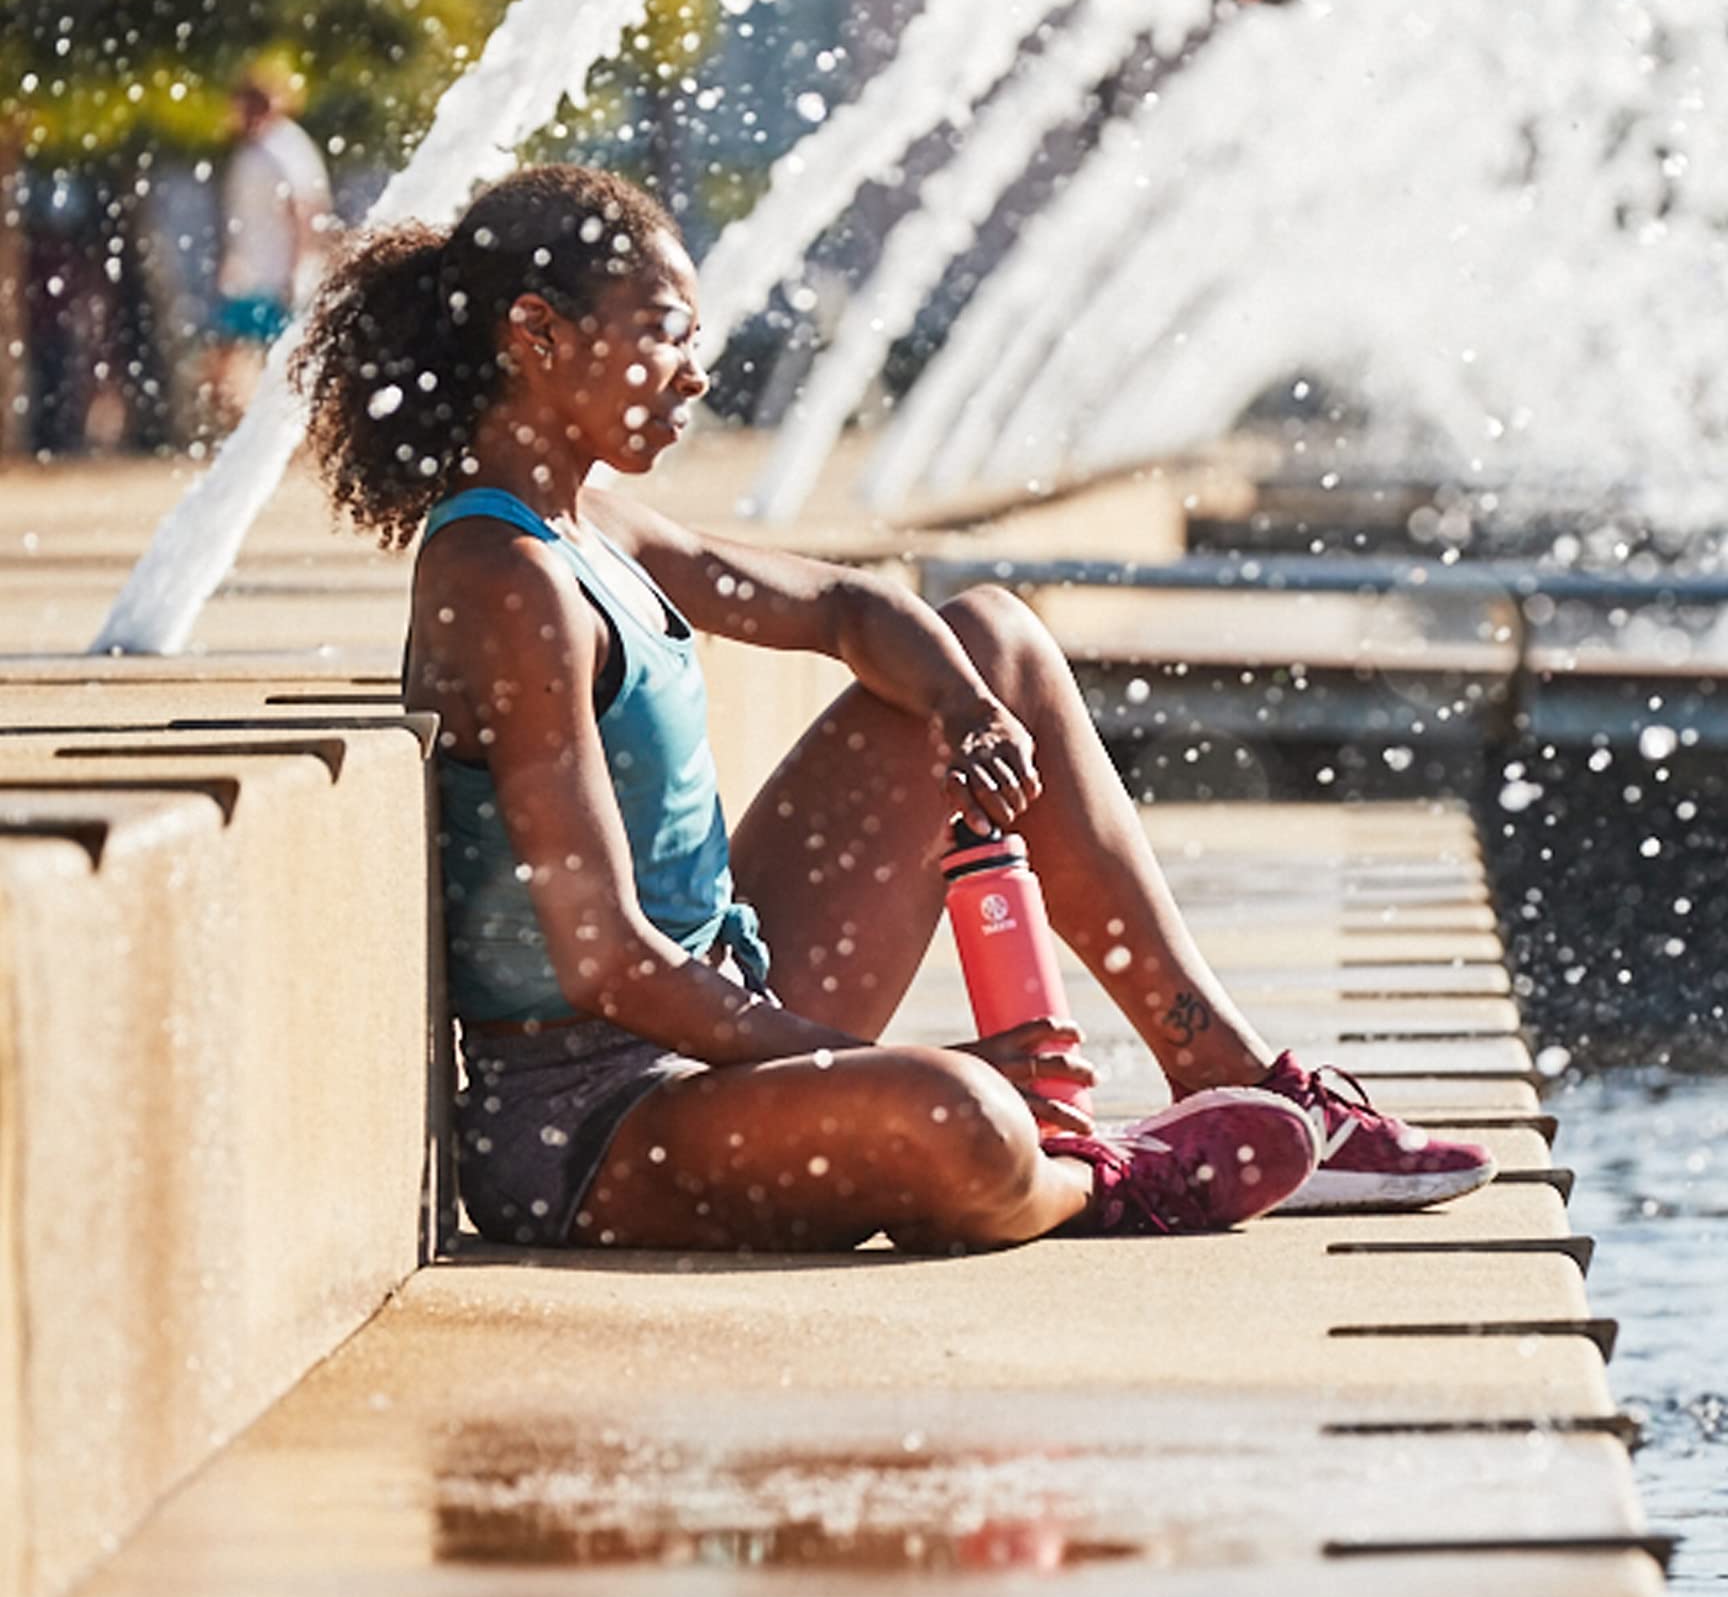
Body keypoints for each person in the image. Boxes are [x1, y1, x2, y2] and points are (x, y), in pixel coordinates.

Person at [290, 163, 1495, 1253]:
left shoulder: (592, 522)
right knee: (960, 1114)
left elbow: (844, 609)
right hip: (593, 1125)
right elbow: (606, 963)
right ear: (537, 336)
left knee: (994, 634)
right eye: (662, 337)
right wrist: (873, 1060)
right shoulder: (504, 579)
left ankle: (1231, 1075)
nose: (697, 375)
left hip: (722, 1007)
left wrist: (969, 710)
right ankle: (1097, 1179)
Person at [208, 63, 334, 423]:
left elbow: (306, 211)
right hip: (250, 271)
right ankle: (237, 427)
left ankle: (287, 432)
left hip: (277, 273)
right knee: (232, 353)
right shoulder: (252, 150)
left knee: (281, 360)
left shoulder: (285, 148)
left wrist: (298, 269)